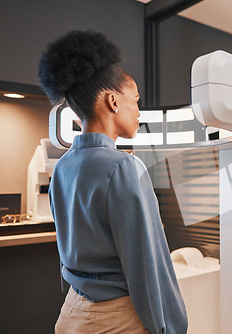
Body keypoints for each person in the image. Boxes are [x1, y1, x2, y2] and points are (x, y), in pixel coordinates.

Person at [38, 30, 188, 333]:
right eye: (136, 101)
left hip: (72, 311)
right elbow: (147, 264)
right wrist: (171, 326)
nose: (139, 113)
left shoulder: (63, 166)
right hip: (115, 317)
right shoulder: (124, 167)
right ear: (113, 101)